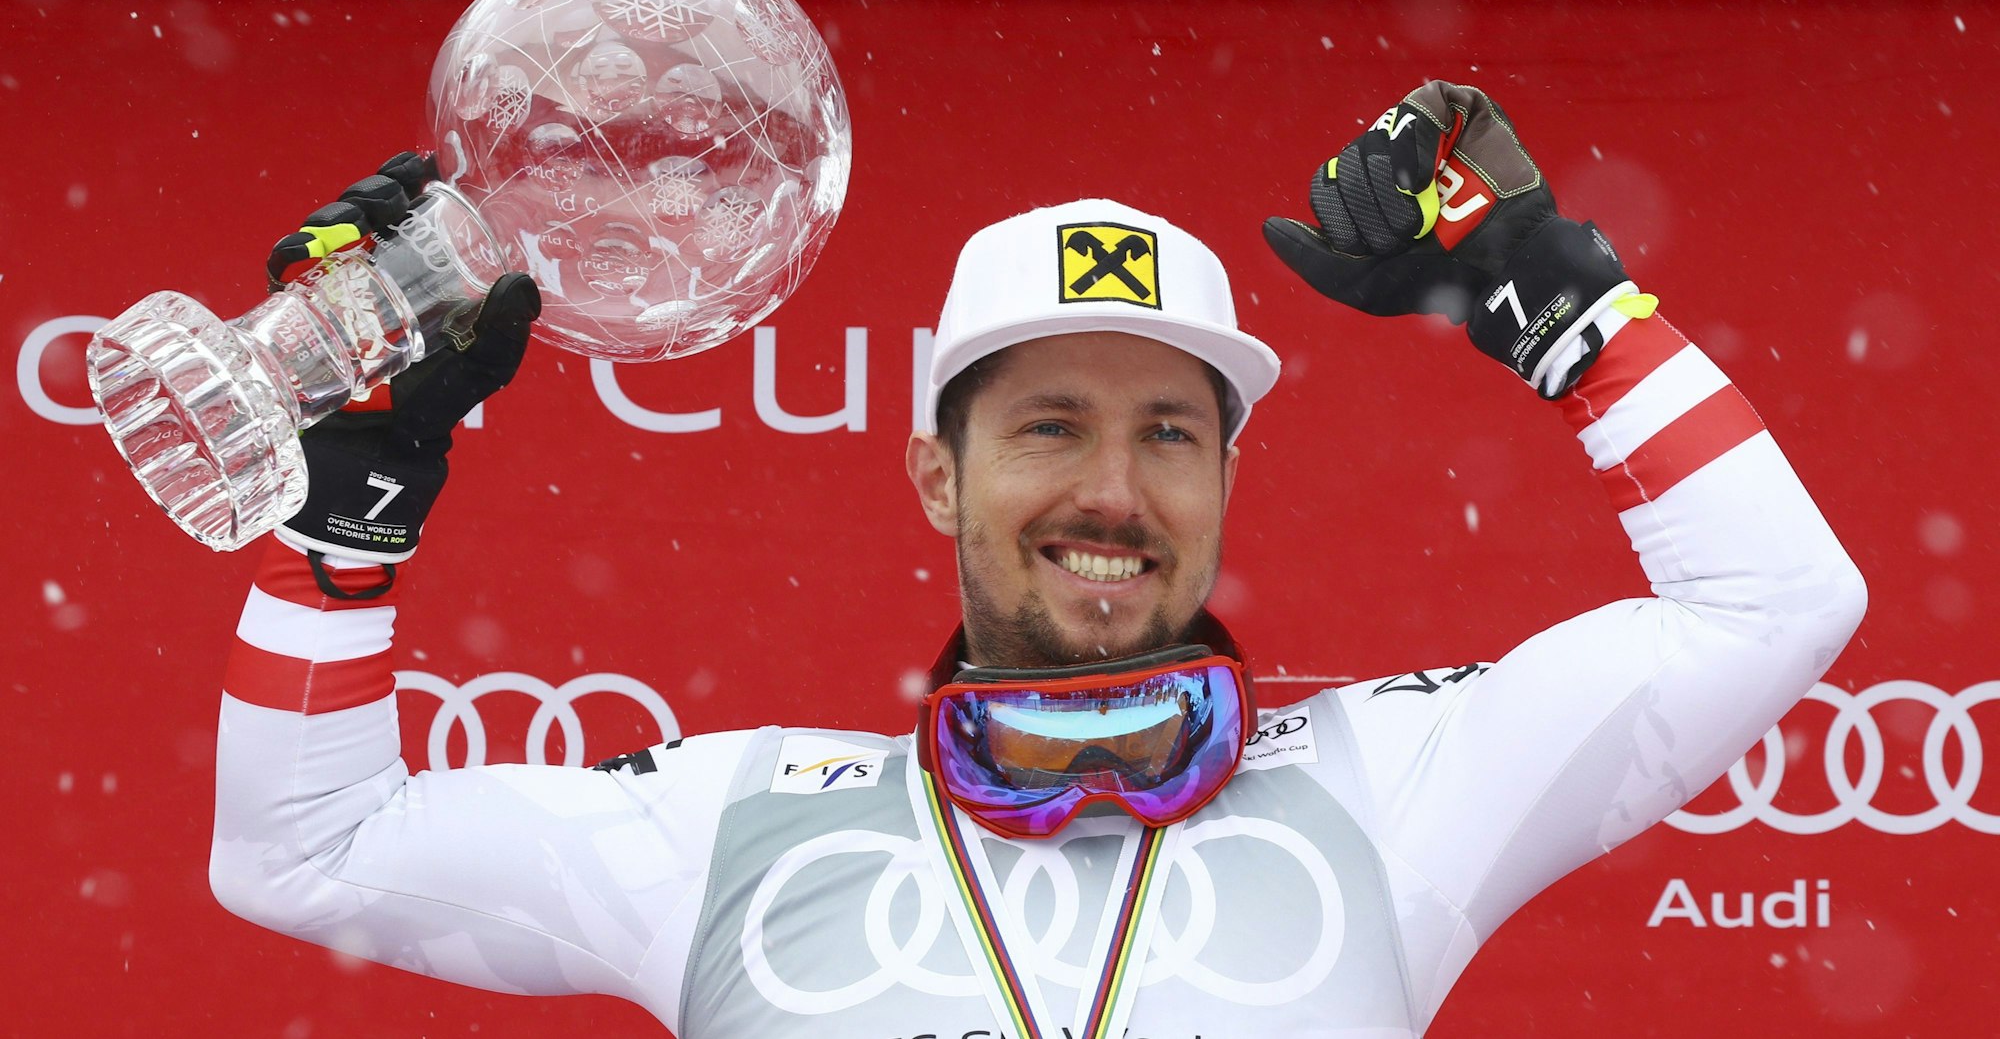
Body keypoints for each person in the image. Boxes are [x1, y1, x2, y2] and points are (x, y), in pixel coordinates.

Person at [211, 83, 1866, 1037]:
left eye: (1169, 432)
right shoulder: (730, 825)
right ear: (938, 474)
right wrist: (347, 509)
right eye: (1051, 425)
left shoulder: (1394, 785)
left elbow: (1778, 602)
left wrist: (1563, 304)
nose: (1113, 490)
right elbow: (305, 851)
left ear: (1226, 477)